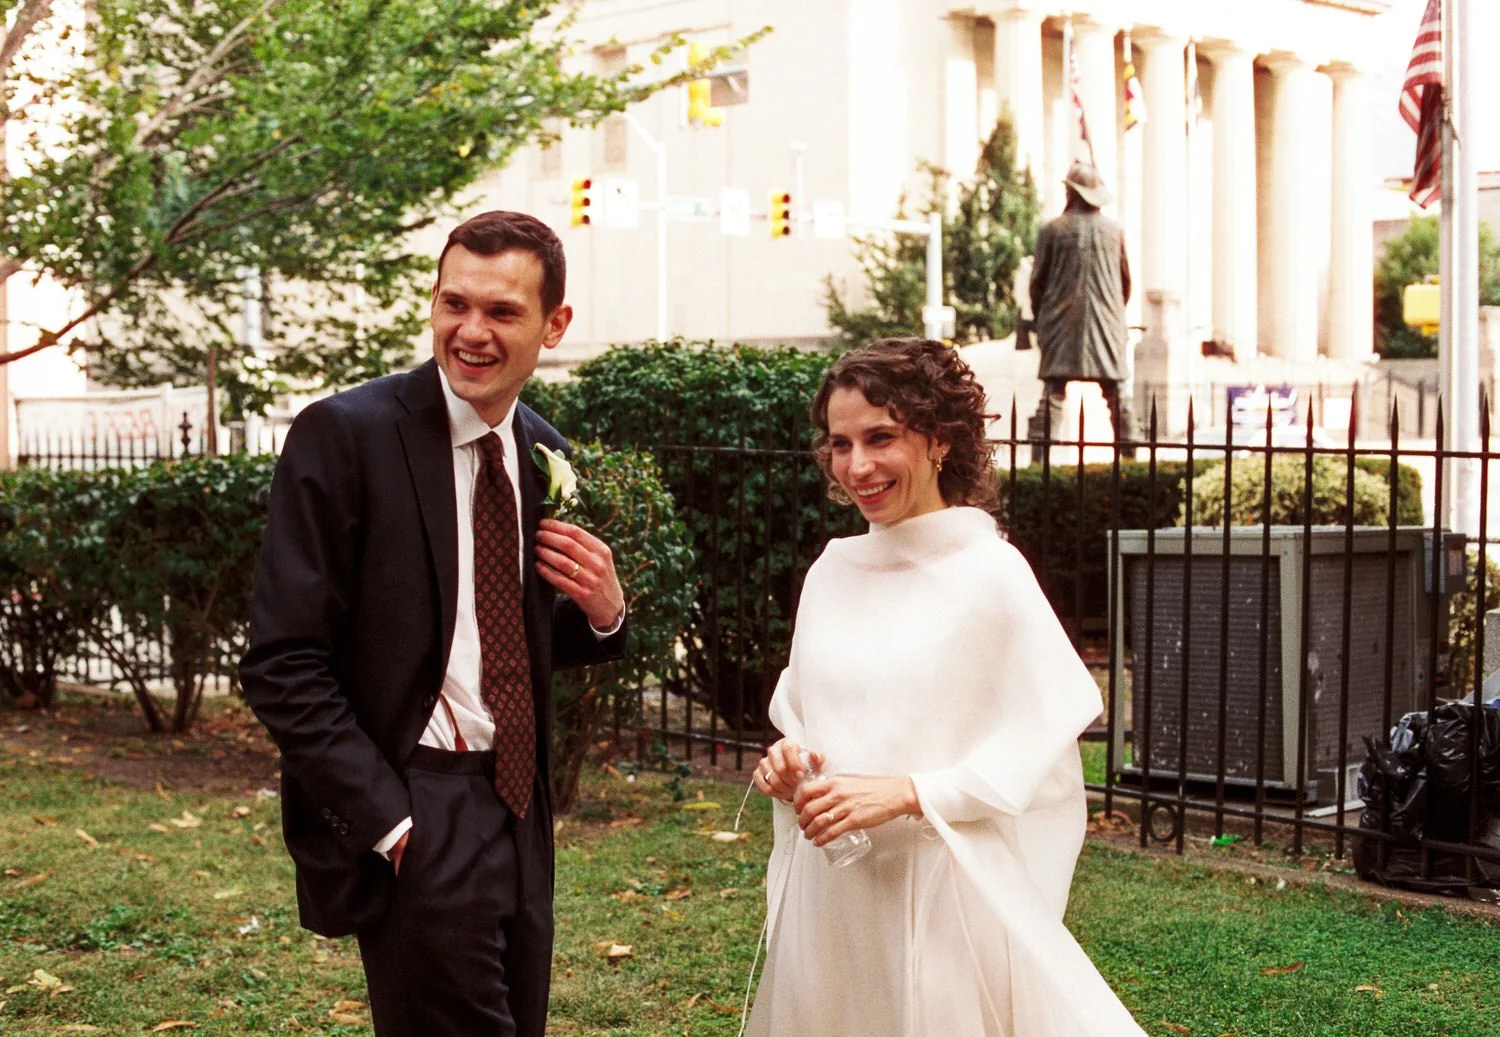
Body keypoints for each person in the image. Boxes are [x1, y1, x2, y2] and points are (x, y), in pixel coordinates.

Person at [240, 210, 628, 1037]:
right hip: (420, 804)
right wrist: (395, 822)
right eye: (455, 304)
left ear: (555, 324)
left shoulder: (539, 450)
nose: (471, 331)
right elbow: (281, 660)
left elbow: (495, 636)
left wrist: (602, 613)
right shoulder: (344, 435)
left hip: (522, 810)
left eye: (502, 312)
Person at [745, 337, 1145, 1036]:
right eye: (841, 444)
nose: (857, 465)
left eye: (881, 437)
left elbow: (1043, 734)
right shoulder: (830, 573)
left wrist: (909, 791)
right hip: (835, 894)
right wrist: (790, 758)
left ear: (939, 441)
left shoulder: (991, 572)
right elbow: (810, 713)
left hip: (943, 895)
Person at [1028, 159, 1135, 445]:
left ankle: (1041, 465)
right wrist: (1113, 314)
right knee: (1117, 395)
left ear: (1070, 193)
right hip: (1107, 324)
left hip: (1060, 323)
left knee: (1052, 393)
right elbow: (1126, 285)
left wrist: (1043, 319)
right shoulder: (1115, 231)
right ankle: (1130, 460)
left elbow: (1037, 283)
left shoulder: (1051, 230)